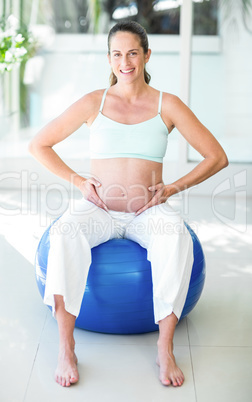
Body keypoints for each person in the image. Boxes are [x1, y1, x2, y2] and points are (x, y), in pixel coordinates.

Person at [29, 20, 228, 388]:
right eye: (117, 54)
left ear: (147, 55)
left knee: (176, 238)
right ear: (109, 59)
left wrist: (173, 188)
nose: (125, 62)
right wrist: (76, 179)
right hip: (99, 209)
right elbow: (39, 144)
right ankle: (65, 347)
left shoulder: (168, 104)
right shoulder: (94, 101)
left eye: (133, 53)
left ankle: (165, 348)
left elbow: (216, 156)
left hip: (147, 211)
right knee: (65, 233)